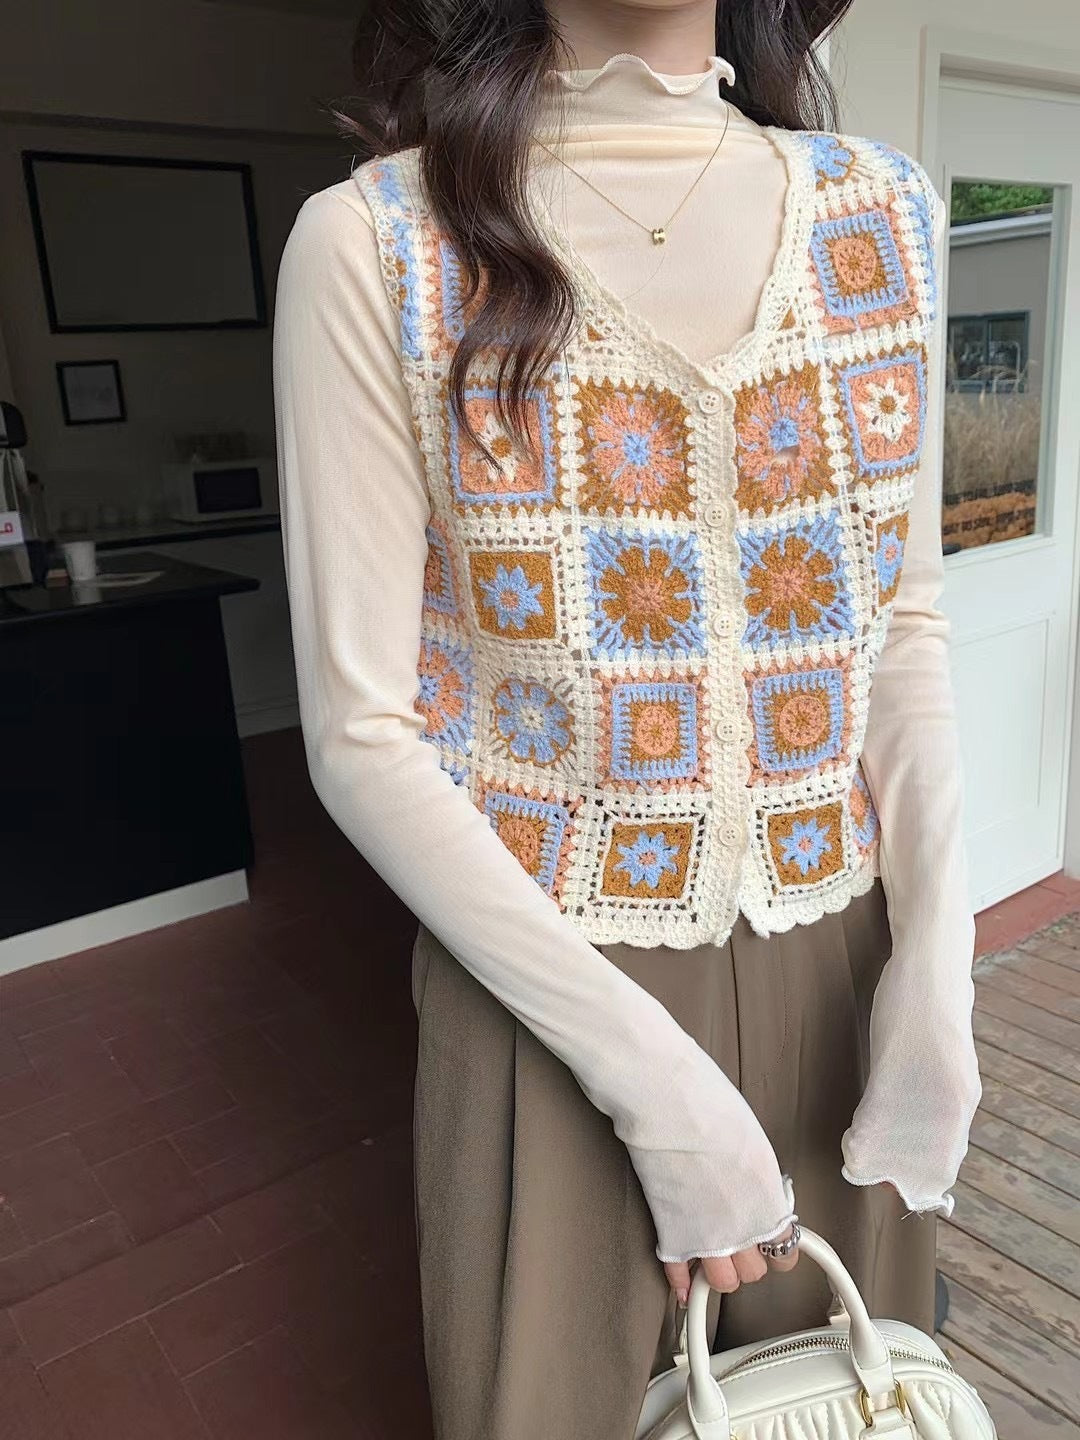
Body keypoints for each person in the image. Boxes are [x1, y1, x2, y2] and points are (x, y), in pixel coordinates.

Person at [273, 2, 982, 1435]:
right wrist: (662, 1097)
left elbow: (898, 628)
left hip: (850, 972)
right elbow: (362, 731)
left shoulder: (886, 217)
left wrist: (938, 959)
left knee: (850, 1405)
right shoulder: (379, 244)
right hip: (547, 997)